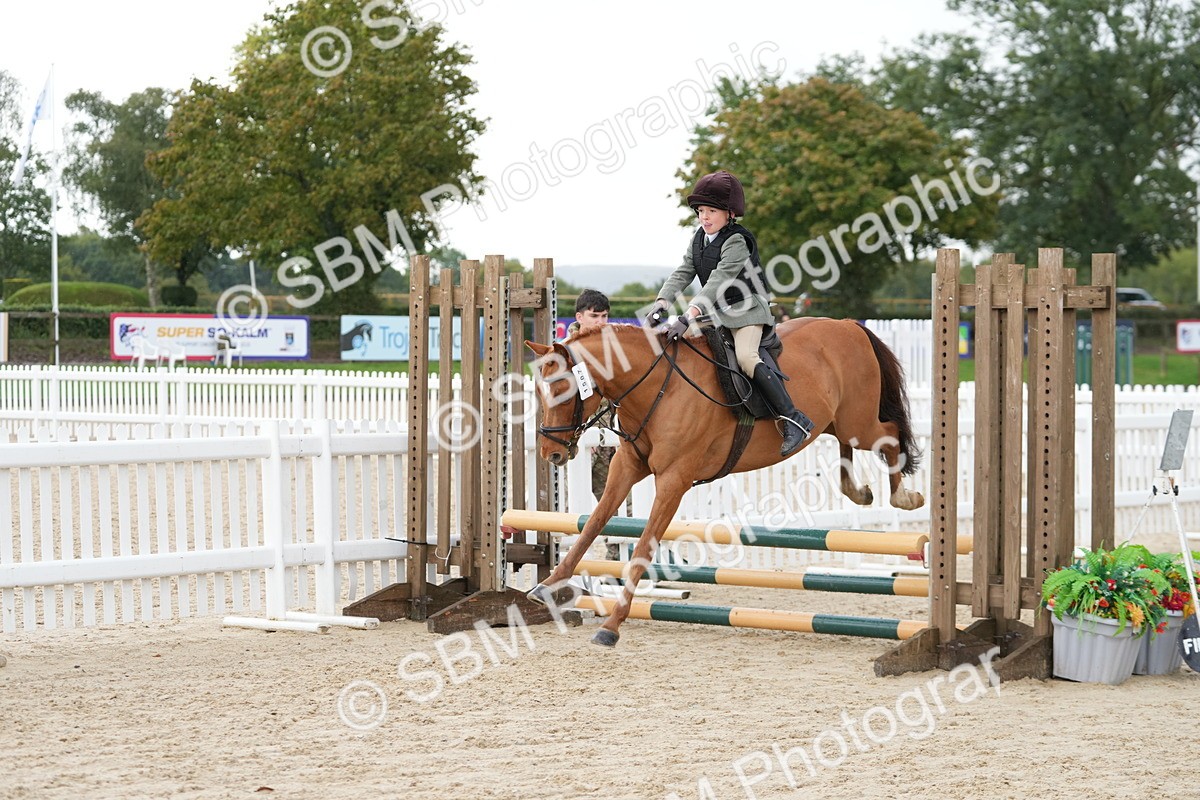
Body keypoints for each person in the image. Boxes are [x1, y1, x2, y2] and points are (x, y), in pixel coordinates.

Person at [650, 170, 813, 457]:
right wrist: (661, 303)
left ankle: (793, 418)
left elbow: (718, 280)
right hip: (717, 312)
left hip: (747, 310)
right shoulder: (699, 238)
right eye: (701, 211)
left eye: (711, 211)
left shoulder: (737, 241)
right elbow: (684, 271)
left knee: (746, 357)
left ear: (729, 213)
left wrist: (688, 315)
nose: (704, 217)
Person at [564, 289, 626, 559]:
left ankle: (619, 557)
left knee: (618, 501)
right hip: (578, 436)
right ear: (579, 317)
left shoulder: (611, 347)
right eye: (594, 316)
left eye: (604, 316)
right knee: (578, 503)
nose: (601, 322)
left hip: (611, 435)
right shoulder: (567, 351)